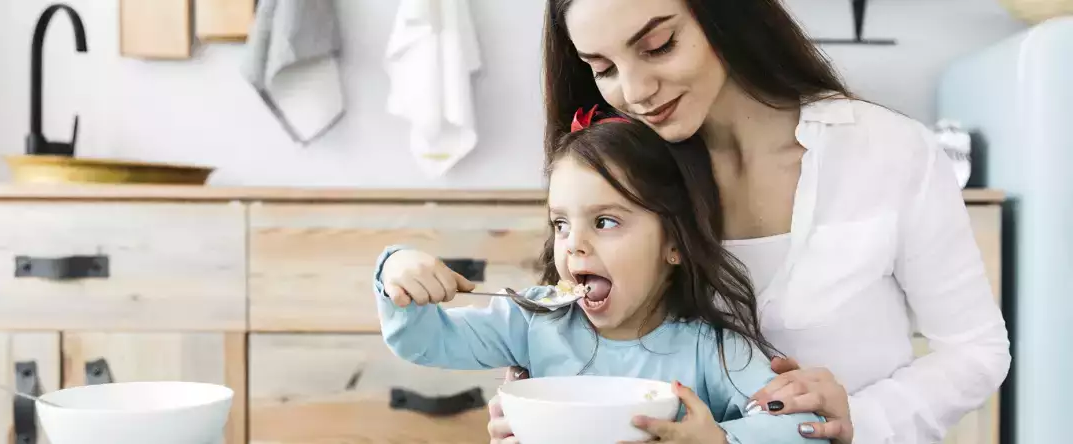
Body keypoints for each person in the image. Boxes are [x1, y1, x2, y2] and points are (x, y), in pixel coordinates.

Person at [488, 0, 1012, 443]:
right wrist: (543, 412)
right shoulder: (625, 175)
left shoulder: (886, 149)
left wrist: (857, 419)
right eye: (603, 68)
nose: (636, 90)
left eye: (659, 46)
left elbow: (975, 351)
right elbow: (579, 334)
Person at [375, 111, 825, 443]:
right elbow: (423, 342)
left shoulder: (713, 350)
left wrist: (719, 440)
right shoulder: (533, 319)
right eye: (561, 224)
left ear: (674, 242)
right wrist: (397, 271)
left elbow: (799, 426)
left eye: (605, 222)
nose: (574, 244)